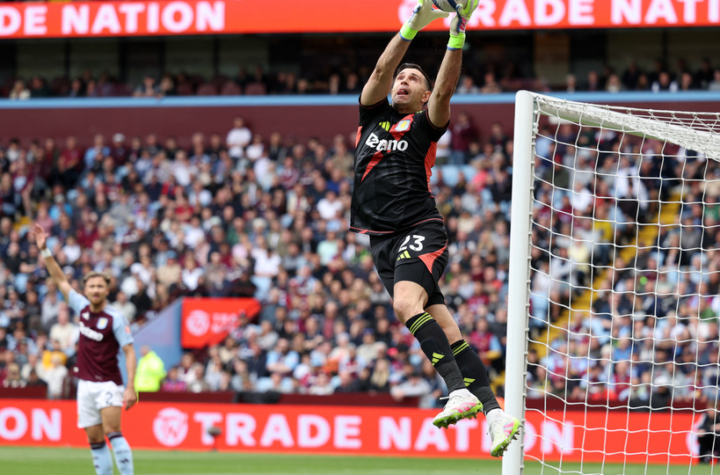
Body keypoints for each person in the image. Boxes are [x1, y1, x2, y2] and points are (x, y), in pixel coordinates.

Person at [349, 0, 519, 457]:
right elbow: (381, 69)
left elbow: (444, 91)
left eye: (413, 79)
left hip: (419, 227)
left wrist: (455, 35)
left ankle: (456, 390)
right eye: (401, 77)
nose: (402, 80)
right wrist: (413, 25)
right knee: (446, 327)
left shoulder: (426, 123)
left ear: (424, 96)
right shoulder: (372, 115)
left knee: (406, 304)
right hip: (381, 241)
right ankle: (495, 414)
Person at [34, 224, 136, 475]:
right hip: (85, 385)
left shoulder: (115, 318)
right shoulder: (81, 307)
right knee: (95, 440)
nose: (96, 290)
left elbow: (130, 352)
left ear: (107, 290)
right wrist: (45, 250)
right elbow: (59, 279)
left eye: (100, 286)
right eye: (92, 286)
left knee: (113, 432)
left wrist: (130, 386)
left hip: (108, 383)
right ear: (86, 289)